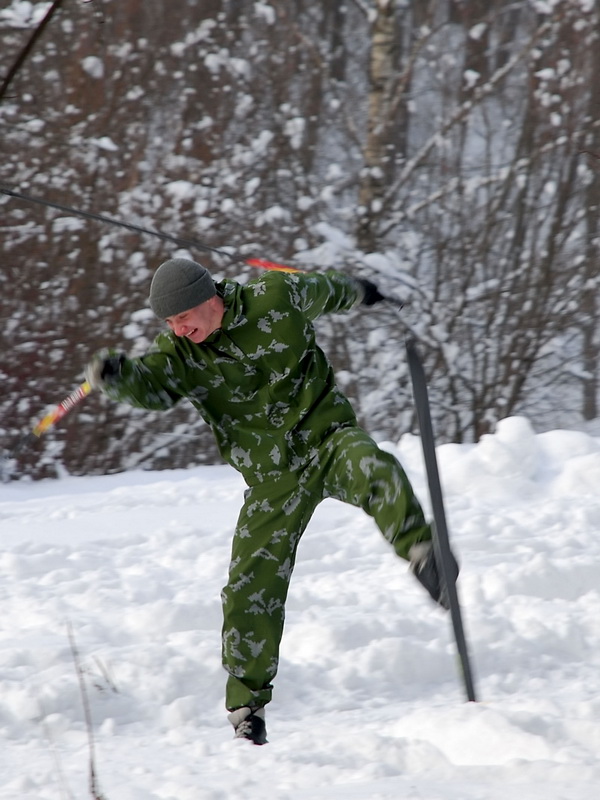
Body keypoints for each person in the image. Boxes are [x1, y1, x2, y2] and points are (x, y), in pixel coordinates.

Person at [85, 258, 457, 745]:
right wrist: (117, 376)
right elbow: (150, 386)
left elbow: (330, 289)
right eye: (170, 323)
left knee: (375, 467)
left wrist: (363, 290)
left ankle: (424, 554)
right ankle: (247, 707)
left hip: (327, 440)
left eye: (183, 318)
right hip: (272, 479)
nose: (178, 329)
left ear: (209, 298)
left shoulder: (276, 299)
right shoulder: (180, 354)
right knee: (249, 584)